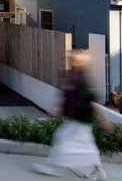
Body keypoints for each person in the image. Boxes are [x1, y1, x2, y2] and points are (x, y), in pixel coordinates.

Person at [33, 50, 111, 180]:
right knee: (85, 144)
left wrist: (103, 120)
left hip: (82, 119)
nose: (70, 60)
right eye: (70, 58)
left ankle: (51, 167)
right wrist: (56, 109)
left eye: (73, 59)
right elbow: (65, 96)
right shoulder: (69, 76)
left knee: (63, 137)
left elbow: (92, 101)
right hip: (75, 118)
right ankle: (98, 171)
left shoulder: (83, 80)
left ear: (80, 62)